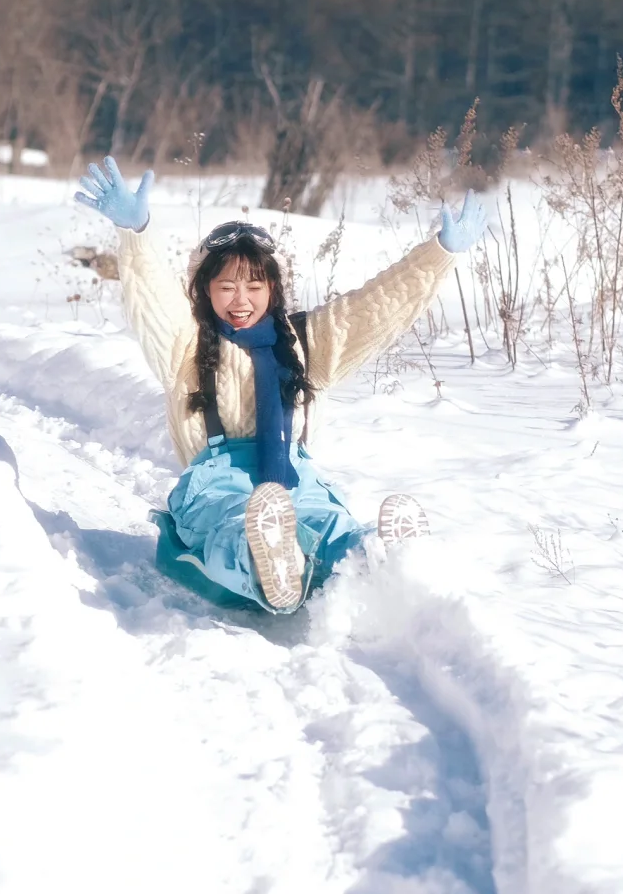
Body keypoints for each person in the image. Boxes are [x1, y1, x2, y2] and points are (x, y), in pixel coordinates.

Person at [75, 157, 486, 614]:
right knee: (230, 525)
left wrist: (439, 254)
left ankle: (380, 559)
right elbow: (153, 299)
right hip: (216, 483)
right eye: (226, 287)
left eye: (254, 286)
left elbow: (377, 307)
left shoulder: (306, 342)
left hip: (295, 475)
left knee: (328, 523)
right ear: (204, 291)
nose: (241, 300)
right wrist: (136, 235)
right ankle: (268, 564)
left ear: (273, 288)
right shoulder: (187, 346)